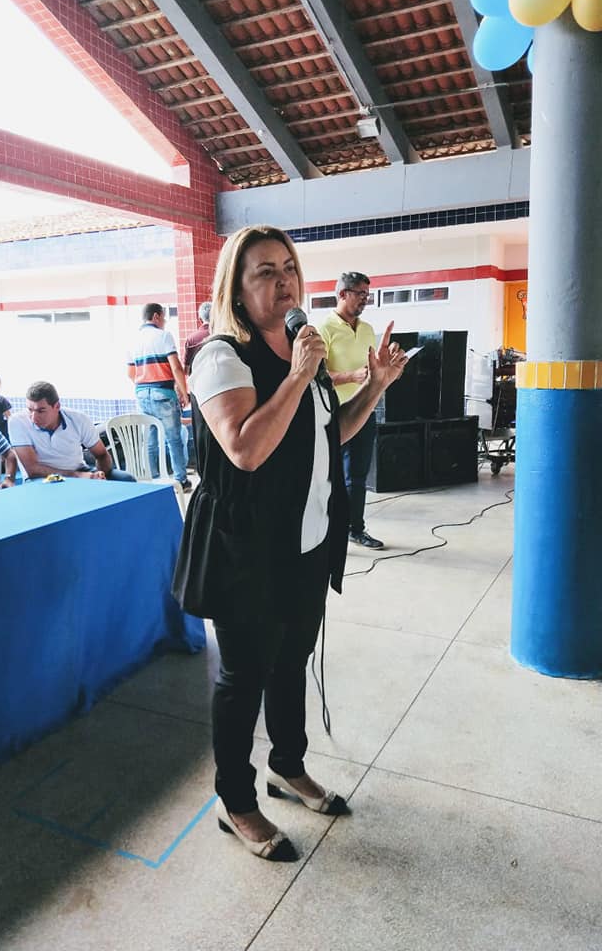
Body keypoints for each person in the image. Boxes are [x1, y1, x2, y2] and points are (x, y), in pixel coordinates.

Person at [172, 226, 406, 862]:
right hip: (244, 549)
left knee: (291, 660)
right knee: (243, 676)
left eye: (288, 268)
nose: (283, 282)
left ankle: (287, 766)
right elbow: (246, 449)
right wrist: (300, 374)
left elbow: (332, 435)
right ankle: (234, 800)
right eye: (265, 272)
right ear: (237, 290)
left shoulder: (304, 348)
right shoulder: (222, 356)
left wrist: (375, 386)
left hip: (306, 542)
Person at [318, 271, 384, 549]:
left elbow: (372, 368)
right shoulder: (324, 329)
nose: (365, 300)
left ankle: (355, 529)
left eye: (367, 295)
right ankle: (327, 531)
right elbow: (317, 375)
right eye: (360, 294)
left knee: (357, 477)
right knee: (330, 477)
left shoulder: (367, 329)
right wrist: (351, 376)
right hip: (332, 414)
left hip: (364, 411)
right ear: (342, 294)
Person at [8, 380, 135, 482]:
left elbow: (101, 454)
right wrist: (77, 476)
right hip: (42, 478)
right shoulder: (17, 422)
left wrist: (100, 475)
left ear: (57, 406)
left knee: (126, 479)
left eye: (41, 411)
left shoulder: (79, 419)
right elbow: (32, 470)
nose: (33, 417)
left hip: (80, 470)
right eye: (30, 410)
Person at [127, 303, 192, 493]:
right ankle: (180, 480)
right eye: (163, 317)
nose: (164, 321)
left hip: (141, 393)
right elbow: (176, 367)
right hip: (162, 392)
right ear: (156, 316)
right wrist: (183, 392)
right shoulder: (163, 336)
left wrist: (144, 381)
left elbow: (130, 373)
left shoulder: (133, 339)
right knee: (174, 438)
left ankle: (152, 480)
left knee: (150, 440)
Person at [183, 300, 212, 374]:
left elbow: (186, 370)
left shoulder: (191, 339)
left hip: (198, 378)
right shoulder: (222, 335)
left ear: (200, 319)